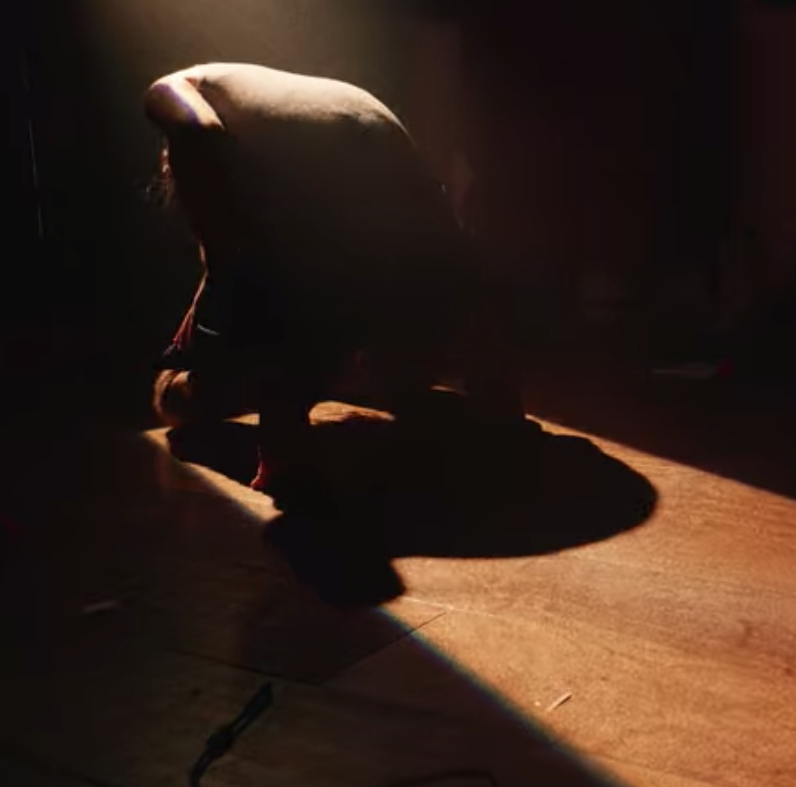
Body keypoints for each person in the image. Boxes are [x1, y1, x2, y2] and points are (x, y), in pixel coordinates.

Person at [144, 63, 522, 500]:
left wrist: (216, 296)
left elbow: (203, 142)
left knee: (175, 399)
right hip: (427, 263)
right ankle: (491, 390)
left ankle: (286, 446)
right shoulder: (277, 99)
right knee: (387, 345)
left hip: (340, 275)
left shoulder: (171, 91)